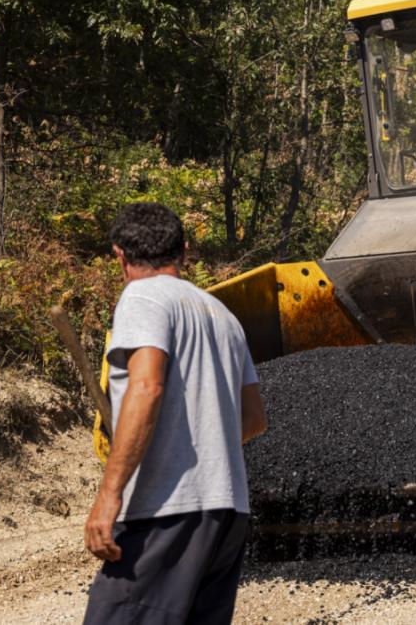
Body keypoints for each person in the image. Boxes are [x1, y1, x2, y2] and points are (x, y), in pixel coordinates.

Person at [83, 202, 267, 625]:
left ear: (120, 256)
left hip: (166, 509)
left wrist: (109, 494)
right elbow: (254, 418)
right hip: (227, 512)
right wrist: (200, 445)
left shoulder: (142, 295)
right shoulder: (222, 316)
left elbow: (146, 386)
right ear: (184, 250)